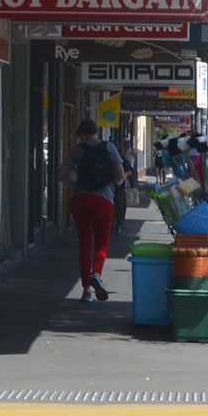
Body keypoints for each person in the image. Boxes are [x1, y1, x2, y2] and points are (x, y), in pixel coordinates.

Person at [63, 119, 126, 302]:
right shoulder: (109, 148)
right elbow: (120, 175)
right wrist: (114, 184)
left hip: (81, 200)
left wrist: (73, 183)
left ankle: (86, 291)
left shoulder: (78, 150)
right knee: (102, 242)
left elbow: (61, 173)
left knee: (84, 244)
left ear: (81, 134)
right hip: (104, 201)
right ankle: (96, 273)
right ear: (96, 132)